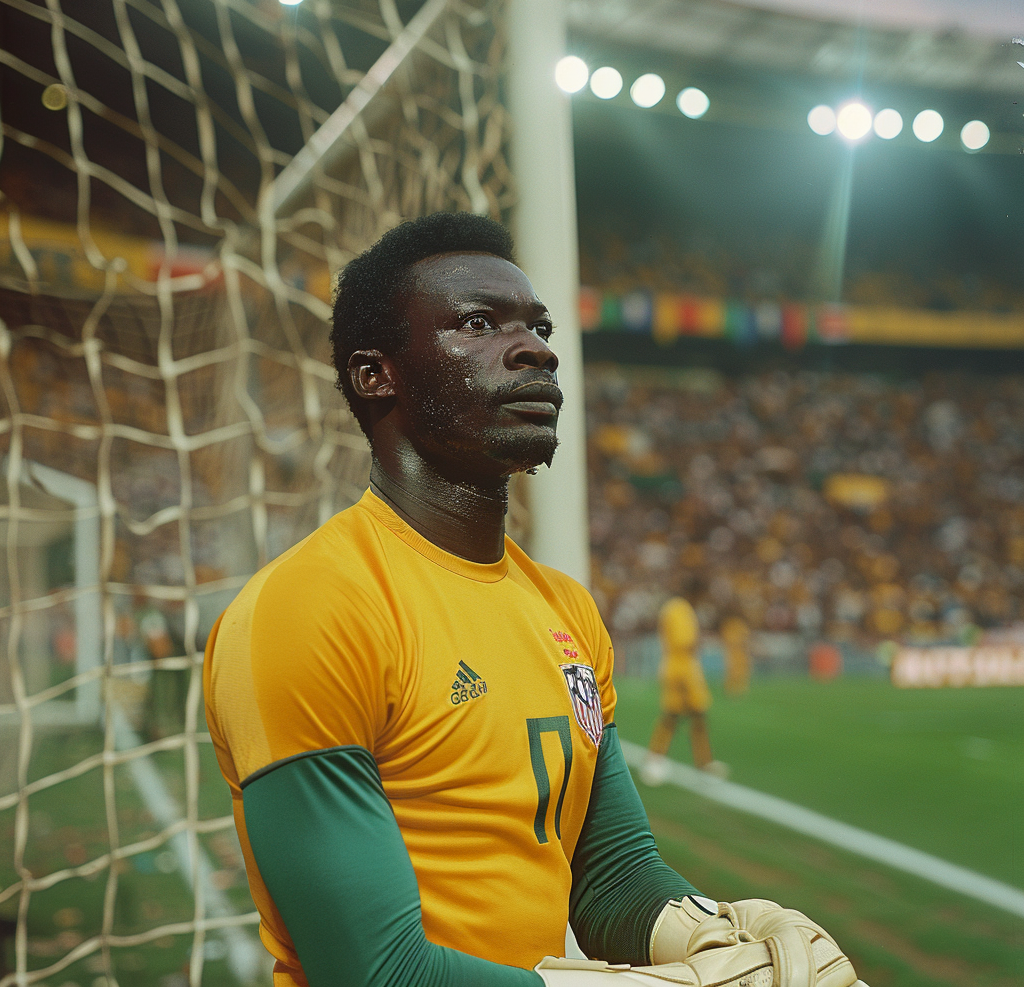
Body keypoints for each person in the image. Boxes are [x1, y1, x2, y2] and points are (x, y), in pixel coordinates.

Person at [204, 213, 859, 987]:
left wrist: (718, 935)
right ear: (374, 374)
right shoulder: (313, 607)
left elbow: (613, 880)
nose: (537, 349)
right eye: (478, 323)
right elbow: (377, 973)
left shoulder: (567, 611)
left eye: (539, 326)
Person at [641, 598, 728, 786]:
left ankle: (698, 762)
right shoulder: (681, 609)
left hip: (676, 667)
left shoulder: (671, 607)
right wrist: (701, 642)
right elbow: (684, 642)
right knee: (681, 716)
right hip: (683, 669)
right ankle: (657, 760)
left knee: (684, 716)